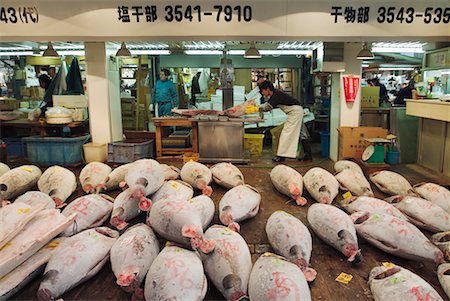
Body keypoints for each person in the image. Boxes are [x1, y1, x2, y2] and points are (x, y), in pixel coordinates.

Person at [259, 80, 311, 162]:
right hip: (297, 111)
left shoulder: (276, 95)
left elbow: (268, 107)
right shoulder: (275, 94)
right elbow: (268, 104)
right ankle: (308, 154)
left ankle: (281, 156)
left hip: (295, 112)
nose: (262, 93)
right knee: (302, 133)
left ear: (268, 89)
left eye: (263, 91)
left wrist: (257, 108)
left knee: (286, 132)